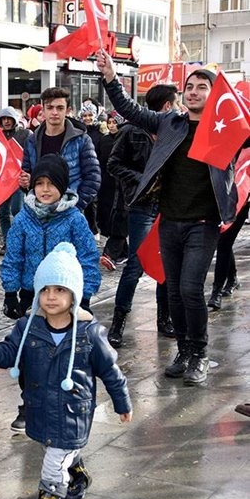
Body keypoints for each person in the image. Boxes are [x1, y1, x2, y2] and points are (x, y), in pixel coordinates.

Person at [97, 49, 241, 385]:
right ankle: (184, 351)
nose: (193, 92)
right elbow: (128, 109)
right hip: (170, 220)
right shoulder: (169, 122)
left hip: (203, 223)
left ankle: (200, 354)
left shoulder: (224, 129)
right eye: (189, 87)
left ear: (214, 94)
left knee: (191, 288)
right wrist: (111, 77)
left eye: (201, 87)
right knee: (173, 289)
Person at [0, 242, 131, 499]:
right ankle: (79, 475)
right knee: (57, 452)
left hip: (73, 413)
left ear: (74, 294)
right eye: (45, 289)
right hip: (39, 408)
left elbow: (110, 371)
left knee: (52, 465)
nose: (51, 296)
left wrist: (122, 402)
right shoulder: (28, 327)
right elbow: (9, 353)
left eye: (60, 290)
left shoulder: (89, 333)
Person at [1, 153, 101, 432]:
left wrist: (85, 295)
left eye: (51, 184)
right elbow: (13, 256)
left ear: (63, 186)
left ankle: (63, 401)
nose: (45, 190)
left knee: (62, 353)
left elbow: (88, 257)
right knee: (30, 353)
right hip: (32, 296)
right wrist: (10, 292)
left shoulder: (74, 219)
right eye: (39, 183)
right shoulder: (23, 219)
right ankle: (29, 404)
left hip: (65, 299)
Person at [105, 84, 178, 348]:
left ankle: (164, 318)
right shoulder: (131, 131)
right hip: (141, 205)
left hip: (168, 206)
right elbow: (113, 164)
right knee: (135, 265)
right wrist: (141, 179)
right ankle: (118, 322)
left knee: (165, 262)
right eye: (176, 102)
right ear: (167, 105)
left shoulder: (175, 130)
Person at [20, 87, 101, 214]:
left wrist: (75, 206)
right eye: (50, 107)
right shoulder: (31, 141)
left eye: (60, 108)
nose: (54, 112)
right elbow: (26, 173)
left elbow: (93, 177)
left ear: (68, 110)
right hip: (39, 210)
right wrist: (25, 183)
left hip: (71, 209)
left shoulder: (82, 140)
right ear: (43, 110)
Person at [0, 107, 31, 253]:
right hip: (1, 180)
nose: (6, 122)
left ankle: (21, 240)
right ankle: (8, 242)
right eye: (3, 119)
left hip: (17, 178)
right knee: (3, 212)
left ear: (14, 120)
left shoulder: (25, 134)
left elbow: (31, 153)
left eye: (8, 118)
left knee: (17, 209)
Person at [96, 112, 128, 268]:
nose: (112, 125)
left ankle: (111, 253)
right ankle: (124, 252)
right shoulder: (104, 140)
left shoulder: (127, 139)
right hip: (107, 184)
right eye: (109, 122)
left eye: (115, 122)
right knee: (108, 217)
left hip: (123, 184)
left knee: (120, 218)